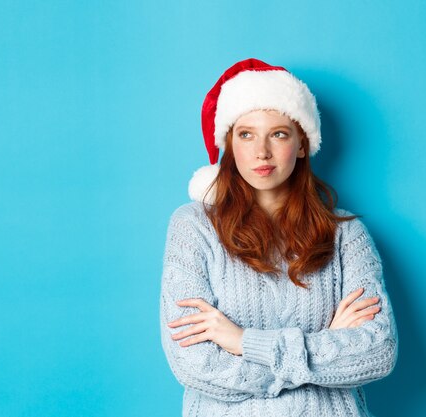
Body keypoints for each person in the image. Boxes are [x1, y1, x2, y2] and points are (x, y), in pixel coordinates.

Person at [159, 58, 398, 417]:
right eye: (246, 134)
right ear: (229, 143)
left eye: (279, 134)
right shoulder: (193, 227)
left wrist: (243, 341)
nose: (262, 152)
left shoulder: (346, 232)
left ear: (302, 143)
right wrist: (323, 348)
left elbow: (378, 351)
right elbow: (194, 364)